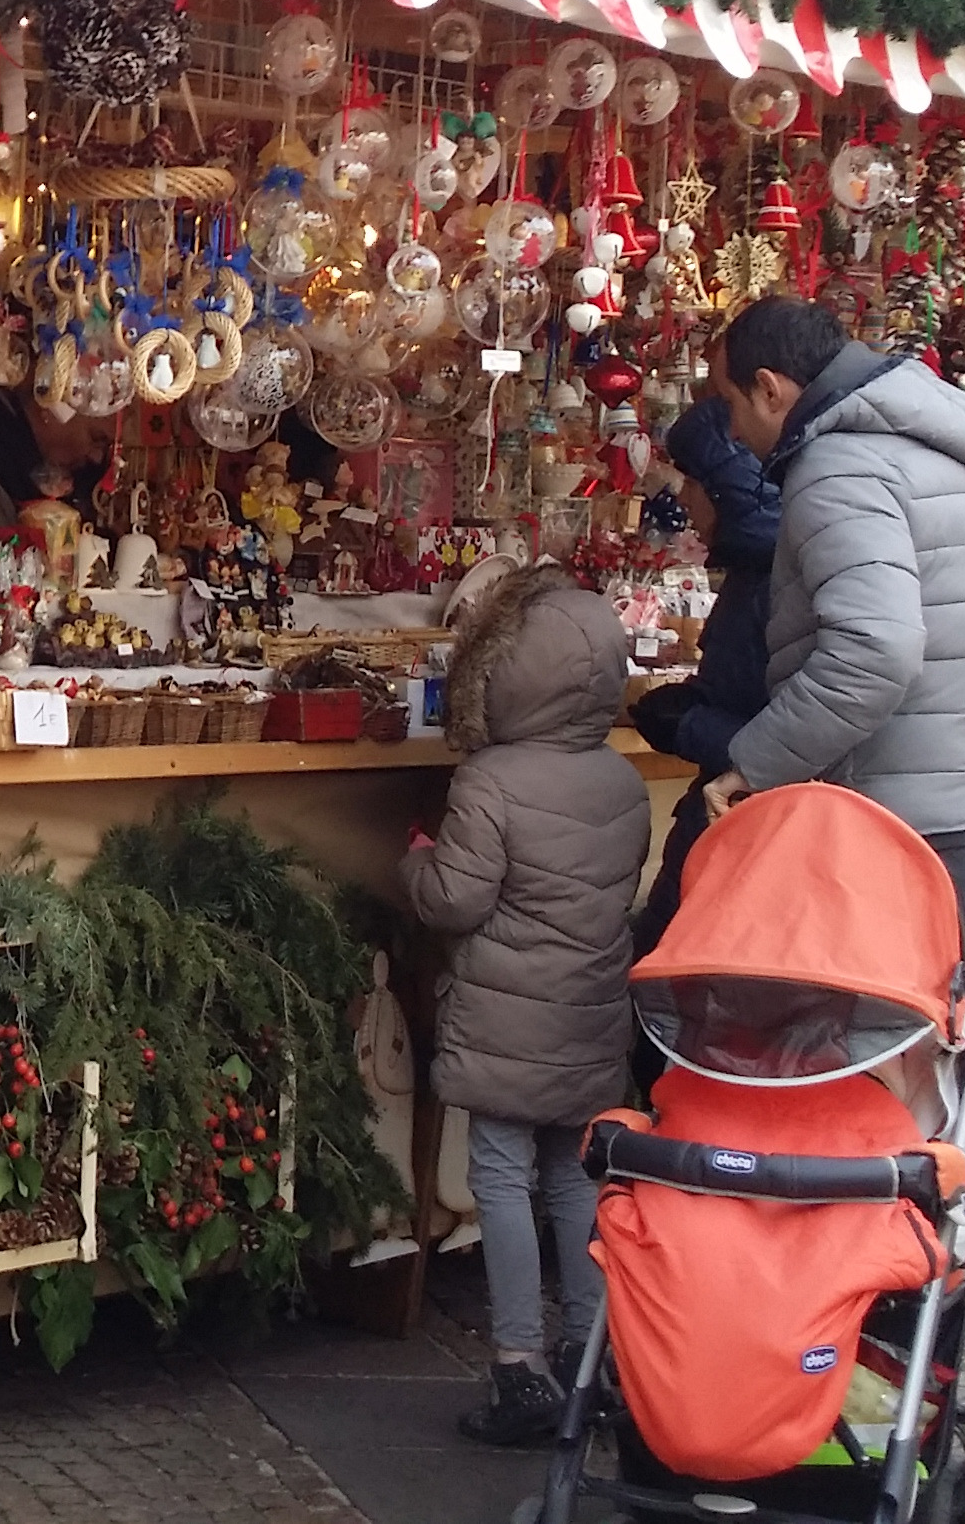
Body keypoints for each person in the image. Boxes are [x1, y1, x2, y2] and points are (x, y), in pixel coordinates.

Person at [403, 562, 650, 1444]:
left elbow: (454, 900)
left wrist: (415, 859)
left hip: (507, 1019)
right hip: (590, 1014)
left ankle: (519, 1367)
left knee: (502, 1181)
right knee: (575, 1181)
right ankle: (589, 1356)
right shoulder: (622, 781)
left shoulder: (490, 780)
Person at [709, 295, 965, 950]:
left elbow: (875, 649)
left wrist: (756, 763)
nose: (734, 434)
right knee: (949, 1012)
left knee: (873, 1019)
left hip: (894, 825)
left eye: (730, 405)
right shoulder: (944, 453)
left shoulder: (840, 466)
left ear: (769, 390)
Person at [628, 397, 779, 947]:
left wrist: (687, 723)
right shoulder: (754, 571)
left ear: (727, 490)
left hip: (745, 823)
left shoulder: (776, 580)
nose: (683, 498)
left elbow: (802, 725)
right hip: (726, 810)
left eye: (693, 482)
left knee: (677, 964)